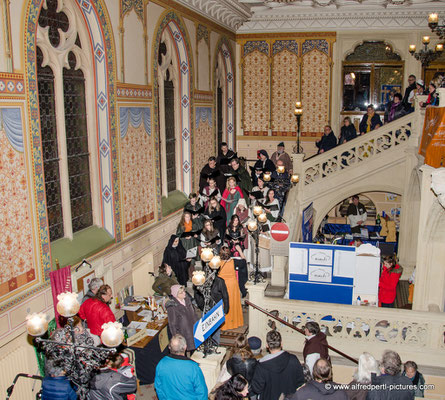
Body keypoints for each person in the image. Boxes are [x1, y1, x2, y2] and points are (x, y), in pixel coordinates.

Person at [250, 330, 304, 400]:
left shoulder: (261, 366)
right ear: (281, 344)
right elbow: (300, 381)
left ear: (267, 345)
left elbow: (257, 389)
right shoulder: (293, 359)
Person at [155, 334, 208, 400]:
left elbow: (158, 388)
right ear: (185, 347)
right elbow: (202, 392)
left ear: (169, 347)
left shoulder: (161, 364)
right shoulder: (193, 367)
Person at [194, 271, 229, 345]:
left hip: (216, 309)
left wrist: (225, 310)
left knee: (216, 330)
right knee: (205, 330)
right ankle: (206, 346)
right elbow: (197, 296)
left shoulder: (220, 281)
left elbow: (225, 296)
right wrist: (202, 307)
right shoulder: (199, 281)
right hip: (204, 309)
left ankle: (215, 345)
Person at [166, 285, 198, 352]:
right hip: (184, 334)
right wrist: (177, 338)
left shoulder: (187, 300)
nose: (184, 293)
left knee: (195, 350)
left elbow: (194, 314)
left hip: (193, 329)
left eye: (184, 291)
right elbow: (172, 324)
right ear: (175, 295)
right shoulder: (172, 307)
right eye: (181, 293)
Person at [218, 246, 244, 330]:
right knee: (232, 303)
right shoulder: (234, 261)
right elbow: (244, 261)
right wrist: (240, 250)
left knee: (223, 303)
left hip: (221, 285)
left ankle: (223, 324)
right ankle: (234, 322)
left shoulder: (217, 262)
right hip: (232, 285)